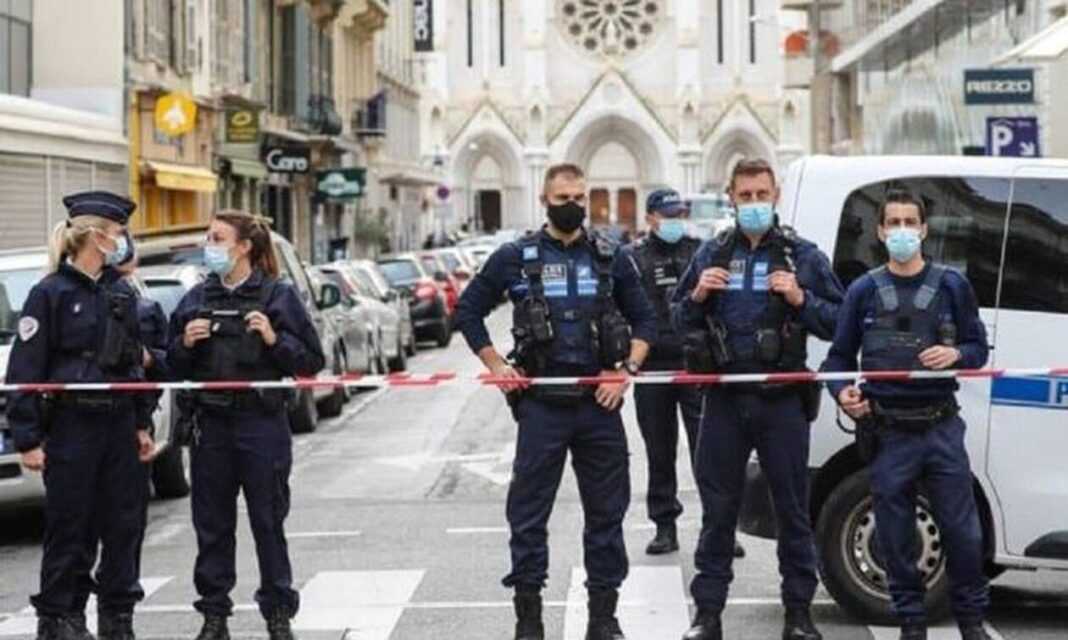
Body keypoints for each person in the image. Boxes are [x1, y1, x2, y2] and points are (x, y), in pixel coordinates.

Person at [455, 163, 657, 640]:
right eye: (563, 197)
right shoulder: (514, 257)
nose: (573, 205)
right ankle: (529, 619)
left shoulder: (611, 257)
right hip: (541, 405)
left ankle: (603, 618)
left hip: (598, 406)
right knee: (528, 516)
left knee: (606, 515)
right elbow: (468, 310)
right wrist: (495, 365)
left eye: (580, 197)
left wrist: (624, 371)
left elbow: (647, 320)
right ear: (544, 200)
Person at [672, 159, 844, 640]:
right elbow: (676, 321)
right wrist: (698, 296)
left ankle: (798, 615)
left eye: (761, 195)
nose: (753, 204)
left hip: (781, 401)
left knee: (792, 511)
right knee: (717, 513)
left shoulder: (801, 256)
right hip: (725, 400)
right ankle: (708, 615)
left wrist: (801, 299)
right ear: (731, 197)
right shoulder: (712, 253)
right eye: (745, 196)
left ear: (776, 196)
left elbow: (839, 321)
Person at [821, 190, 992, 640]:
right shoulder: (863, 291)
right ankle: (911, 624)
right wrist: (843, 393)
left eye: (909, 222)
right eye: (893, 223)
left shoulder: (952, 286)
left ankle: (971, 623)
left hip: (940, 427)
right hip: (889, 431)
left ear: (924, 229)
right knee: (895, 539)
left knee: (964, 534)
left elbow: (978, 349)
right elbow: (837, 359)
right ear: (880, 232)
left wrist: (956, 354)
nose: (902, 231)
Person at [167, 211, 325, 640]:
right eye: (209, 237)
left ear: (244, 247)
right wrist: (184, 342)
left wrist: (275, 339)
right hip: (211, 425)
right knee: (212, 526)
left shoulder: (277, 296)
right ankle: (214, 616)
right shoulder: (197, 298)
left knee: (268, 522)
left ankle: (278, 614)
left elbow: (311, 361)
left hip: (261, 424)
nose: (209, 245)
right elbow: (170, 364)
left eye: (217, 238)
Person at [6, 191, 156, 640]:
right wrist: (27, 439)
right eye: (118, 233)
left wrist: (143, 423)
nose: (124, 241)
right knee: (72, 526)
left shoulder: (121, 291)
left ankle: (118, 616)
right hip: (73, 426)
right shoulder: (49, 293)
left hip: (119, 425)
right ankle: (60, 617)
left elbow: (134, 367)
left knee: (125, 525)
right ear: (96, 236)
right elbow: (25, 370)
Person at [623, 189, 744, 559]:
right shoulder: (633, 257)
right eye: (667, 215)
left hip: (696, 363)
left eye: (678, 214)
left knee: (708, 451)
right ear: (650, 218)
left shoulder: (699, 251)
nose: (674, 221)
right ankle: (664, 525)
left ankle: (720, 528)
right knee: (659, 451)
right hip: (652, 365)